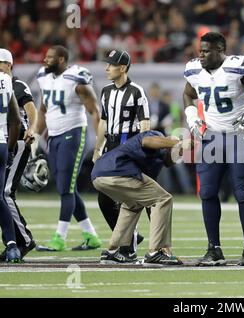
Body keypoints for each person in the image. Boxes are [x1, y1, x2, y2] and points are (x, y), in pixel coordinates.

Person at [183, 32, 244, 266]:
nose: (201, 54)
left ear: (220, 50)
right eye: (200, 50)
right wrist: (191, 117)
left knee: (242, 193)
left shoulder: (236, 67)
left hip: (239, 136)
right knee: (207, 193)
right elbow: (188, 93)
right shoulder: (194, 70)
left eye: (206, 50)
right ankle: (214, 248)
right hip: (211, 137)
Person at [35, 45, 102, 251]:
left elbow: (95, 111)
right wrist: (36, 136)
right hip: (54, 136)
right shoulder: (44, 78)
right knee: (66, 187)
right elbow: (44, 108)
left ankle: (59, 238)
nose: (46, 60)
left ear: (62, 60)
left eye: (51, 58)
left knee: (65, 188)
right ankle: (90, 235)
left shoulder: (76, 79)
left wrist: (100, 143)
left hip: (73, 134)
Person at [92, 130, 189, 265]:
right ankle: (155, 252)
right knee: (164, 199)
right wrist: (179, 142)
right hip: (117, 170)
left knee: (133, 205)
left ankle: (112, 252)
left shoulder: (157, 161)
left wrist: (179, 150)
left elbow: (166, 162)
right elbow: (147, 141)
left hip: (99, 174)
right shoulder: (156, 136)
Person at [93, 49, 150, 255]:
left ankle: (129, 246)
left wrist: (139, 152)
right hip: (110, 147)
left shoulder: (136, 91)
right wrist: (98, 148)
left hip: (128, 147)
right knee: (105, 199)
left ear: (123, 67)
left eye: (111, 64)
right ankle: (129, 238)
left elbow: (145, 124)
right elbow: (104, 121)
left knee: (130, 198)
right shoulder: (106, 91)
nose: (107, 68)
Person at [0, 48, 37, 261]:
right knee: (3, 195)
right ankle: (15, 241)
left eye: (0, 63)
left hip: (18, 141)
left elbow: (31, 109)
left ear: (9, 65)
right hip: (6, 142)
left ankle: (22, 240)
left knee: (5, 193)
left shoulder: (16, 84)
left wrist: (32, 129)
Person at [0, 61, 21, 262]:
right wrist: (10, 148)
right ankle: (12, 245)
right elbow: (16, 120)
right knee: (0, 197)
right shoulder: (6, 80)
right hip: (1, 143)